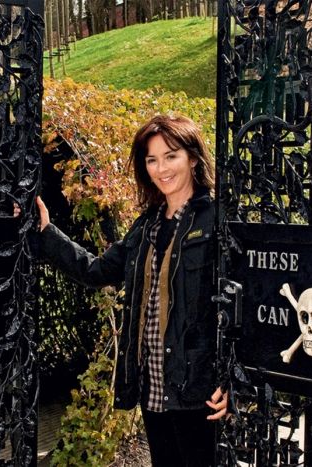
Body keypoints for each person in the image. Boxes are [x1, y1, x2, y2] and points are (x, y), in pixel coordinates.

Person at [35, 115, 228, 466]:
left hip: (198, 391)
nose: (161, 169)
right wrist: (47, 233)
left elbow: (238, 305)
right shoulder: (146, 226)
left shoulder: (216, 221)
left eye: (171, 156)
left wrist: (232, 380)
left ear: (193, 158)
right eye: (152, 160)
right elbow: (96, 271)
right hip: (152, 388)